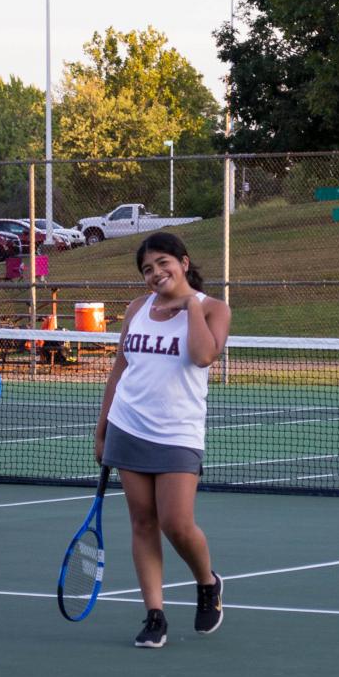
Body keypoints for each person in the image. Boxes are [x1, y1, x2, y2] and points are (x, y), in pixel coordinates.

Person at [94, 232, 231, 648]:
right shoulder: (136, 308)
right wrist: (102, 429)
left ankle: (207, 583)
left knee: (176, 523)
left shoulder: (214, 309)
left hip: (177, 433)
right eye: (147, 269)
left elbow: (204, 355)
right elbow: (120, 371)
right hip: (128, 426)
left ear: (183, 263)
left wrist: (190, 305)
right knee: (142, 522)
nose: (155, 274)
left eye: (162, 264)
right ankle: (154, 614)